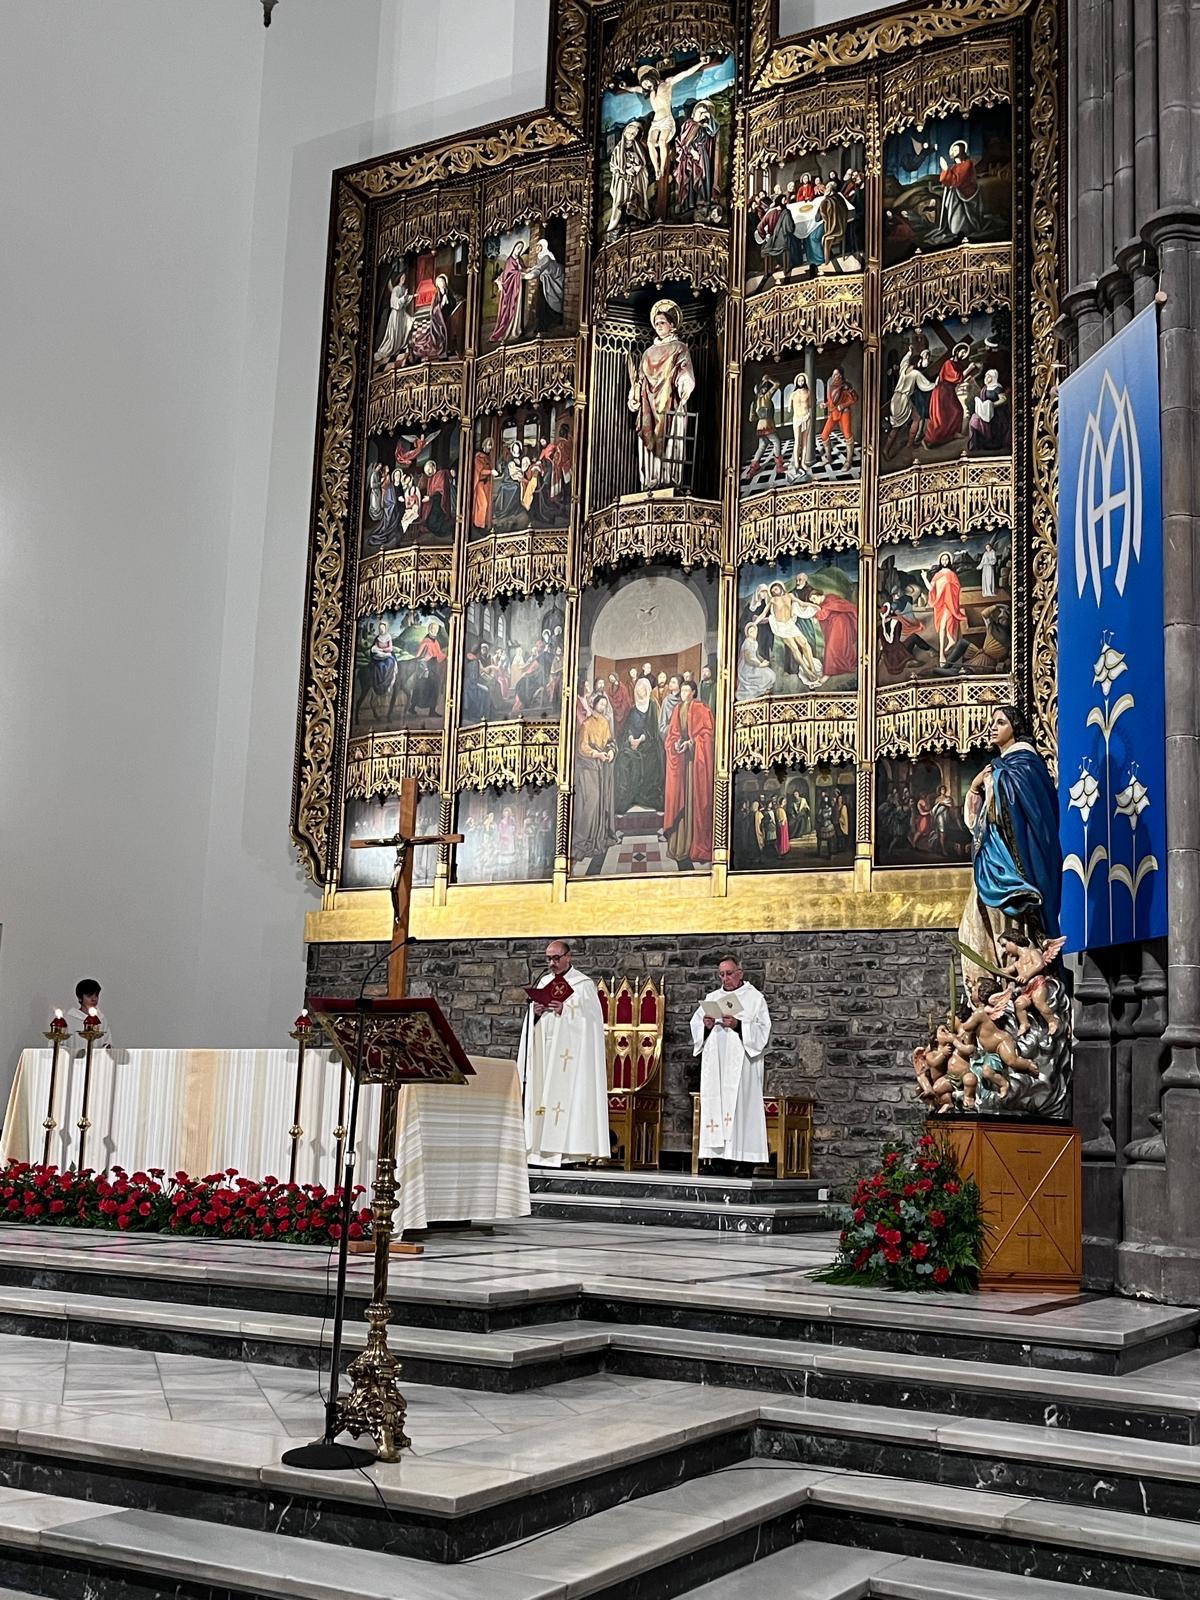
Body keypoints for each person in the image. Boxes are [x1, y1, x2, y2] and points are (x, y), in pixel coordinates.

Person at [959, 705, 1062, 977]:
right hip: (991, 859)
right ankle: (987, 990)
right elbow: (978, 820)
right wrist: (975, 786)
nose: (993, 727)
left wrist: (996, 778)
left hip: (1015, 862)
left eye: (1001, 722)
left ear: (1015, 728)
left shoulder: (1025, 765)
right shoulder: (999, 767)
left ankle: (1014, 990)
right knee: (974, 926)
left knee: (1011, 923)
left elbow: (1037, 815)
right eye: (992, 722)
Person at [516, 941, 608, 1167]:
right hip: (545, 1052)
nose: (551, 963)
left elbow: (593, 1021)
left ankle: (569, 1152)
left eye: (556, 958)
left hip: (570, 1058)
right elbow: (533, 1023)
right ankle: (537, 1150)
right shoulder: (544, 982)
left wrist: (565, 1011)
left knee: (565, 1098)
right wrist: (535, 1014)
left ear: (569, 956)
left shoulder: (583, 985)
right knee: (541, 1094)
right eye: (548, 958)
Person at [690, 956, 771, 1171]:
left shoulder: (754, 998)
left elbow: (763, 1031)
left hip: (742, 1067)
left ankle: (744, 1161)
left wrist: (738, 1025)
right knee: (716, 1105)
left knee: (740, 1108)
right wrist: (706, 1025)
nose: (725, 978)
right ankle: (718, 1159)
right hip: (716, 1065)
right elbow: (696, 1025)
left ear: (740, 973)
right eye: (721, 974)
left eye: (729, 973)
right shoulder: (713, 997)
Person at [628, 299, 695, 491]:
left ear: (672, 325)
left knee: (670, 440)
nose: (658, 327)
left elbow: (684, 370)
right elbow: (640, 379)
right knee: (649, 441)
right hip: (649, 403)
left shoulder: (679, 348)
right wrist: (634, 395)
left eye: (662, 323)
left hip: (670, 402)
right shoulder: (648, 353)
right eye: (656, 323)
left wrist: (684, 384)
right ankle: (651, 480)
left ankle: (669, 479)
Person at [663, 680, 715, 863]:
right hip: (683, 762)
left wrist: (692, 743)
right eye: (682, 690)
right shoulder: (677, 709)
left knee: (695, 800)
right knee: (680, 799)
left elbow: (708, 734)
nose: (683, 693)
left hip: (695, 763)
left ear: (693, 692)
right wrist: (676, 744)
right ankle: (680, 845)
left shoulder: (701, 708)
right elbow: (672, 735)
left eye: (687, 690)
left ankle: (696, 844)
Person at [572, 692, 619, 861]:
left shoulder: (605, 723)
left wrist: (611, 751)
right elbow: (582, 747)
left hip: (601, 767)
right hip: (587, 768)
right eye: (601, 705)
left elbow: (609, 741)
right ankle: (582, 840)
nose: (603, 708)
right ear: (593, 705)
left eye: (605, 706)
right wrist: (596, 754)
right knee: (591, 801)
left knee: (600, 800)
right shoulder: (586, 724)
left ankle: (597, 837)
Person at [615, 674, 665, 813]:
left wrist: (640, 739)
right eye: (637, 688)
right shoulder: (632, 709)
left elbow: (653, 729)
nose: (639, 691)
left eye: (642, 688)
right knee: (623, 758)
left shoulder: (652, 706)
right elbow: (628, 728)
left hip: (649, 743)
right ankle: (628, 797)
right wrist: (631, 738)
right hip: (633, 743)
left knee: (649, 759)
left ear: (647, 690)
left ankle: (647, 797)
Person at [930, 140, 985, 244]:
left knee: (957, 228)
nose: (953, 152)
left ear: (961, 150)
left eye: (956, 149)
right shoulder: (954, 167)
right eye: (953, 150)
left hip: (966, 194)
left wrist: (946, 169)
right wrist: (946, 170)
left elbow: (957, 181)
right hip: (955, 197)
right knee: (953, 227)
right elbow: (948, 182)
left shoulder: (967, 164)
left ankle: (966, 228)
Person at [672, 100, 719, 215]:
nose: (702, 114)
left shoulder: (705, 126)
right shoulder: (689, 124)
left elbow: (713, 132)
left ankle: (702, 202)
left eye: (704, 112)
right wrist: (691, 151)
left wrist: (708, 118)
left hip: (702, 155)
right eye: (700, 112)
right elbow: (683, 141)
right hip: (689, 156)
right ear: (694, 114)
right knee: (691, 177)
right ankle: (689, 203)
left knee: (703, 177)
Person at [924, 550, 968, 665]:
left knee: (944, 625)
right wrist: (924, 578)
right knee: (941, 627)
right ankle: (949, 643)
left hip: (949, 603)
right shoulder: (937, 574)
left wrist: (947, 587)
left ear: (949, 561)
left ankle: (942, 655)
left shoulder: (952, 574)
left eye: (946, 559)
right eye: (942, 559)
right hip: (940, 605)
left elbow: (957, 588)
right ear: (940, 561)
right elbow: (930, 588)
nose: (944, 561)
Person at [607, 120, 651, 233]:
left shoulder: (639, 148)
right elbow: (614, 166)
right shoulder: (618, 149)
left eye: (634, 134)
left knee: (634, 200)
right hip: (622, 180)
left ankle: (635, 222)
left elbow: (643, 163)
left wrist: (638, 168)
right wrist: (625, 170)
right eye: (630, 132)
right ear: (625, 131)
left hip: (636, 180)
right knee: (622, 201)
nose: (631, 135)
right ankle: (620, 225)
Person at [523, 236, 565, 334]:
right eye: (536, 246)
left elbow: (540, 268)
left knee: (544, 304)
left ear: (543, 247)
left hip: (552, 283)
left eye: (539, 246)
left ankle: (543, 326)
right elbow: (539, 266)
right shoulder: (541, 257)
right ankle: (541, 326)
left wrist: (529, 275)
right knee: (541, 304)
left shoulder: (546, 257)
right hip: (545, 282)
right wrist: (531, 269)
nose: (536, 248)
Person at [819, 368, 858, 470]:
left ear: (841, 375)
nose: (836, 377)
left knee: (847, 436)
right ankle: (829, 457)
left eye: (837, 374)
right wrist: (825, 404)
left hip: (844, 413)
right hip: (833, 413)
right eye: (834, 374)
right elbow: (832, 401)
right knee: (824, 435)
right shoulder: (831, 386)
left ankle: (848, 461)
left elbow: (854, 399)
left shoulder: (846, 386)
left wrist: (843, 405)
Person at [489, 240, 526, 343]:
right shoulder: (509, 260)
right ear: (514, 248)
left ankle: (515, 329)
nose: (519, 250)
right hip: (509, 290)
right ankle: (504, 331)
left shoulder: (520, 259)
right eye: (518, 247)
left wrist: (525, 270)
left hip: (517, 288)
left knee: (517, 309)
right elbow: (508, 275)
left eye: (521, 248)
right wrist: (518, 273)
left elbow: (523, 269)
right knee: (507, 310)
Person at [373, 274, 413, 366]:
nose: (404, 279)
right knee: (393, 335)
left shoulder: (403, 288)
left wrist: (411, 296)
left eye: (404, 278)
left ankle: (398, 346)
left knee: (401, 331)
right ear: (398, 278)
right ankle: (388, 349)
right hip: (395, 314)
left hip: (401, 314)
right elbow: (395, 303)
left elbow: (404, 301)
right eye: (402, 277)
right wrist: (404, 297)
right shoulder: (396, 289)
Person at [67, 979, 110, 1052]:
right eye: (89, 996)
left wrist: (106, 1048)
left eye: (96, 995)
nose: (94, 999)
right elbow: (58, 1045)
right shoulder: (69, 1019)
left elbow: (107, 1041)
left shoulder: (101, 1019)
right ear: (80, 997)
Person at [788, 374, 812, 478]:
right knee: (797, 441)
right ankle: (796, 463)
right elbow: (789, 408)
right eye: (799, 381)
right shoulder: (793, 394)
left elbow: (810, 405)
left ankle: (802, 463)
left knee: (805, 441)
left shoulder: (808, 392)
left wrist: (808, 415)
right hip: (797, 418)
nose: (801, 382)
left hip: (806, 417)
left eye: (803, 381)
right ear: (796, 382)